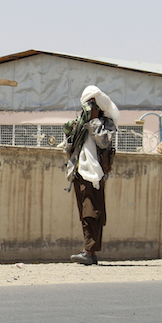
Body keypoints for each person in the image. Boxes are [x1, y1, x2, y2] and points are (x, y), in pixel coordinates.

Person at [64, 85, 118, 265]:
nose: (88, 108)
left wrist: (93, 122)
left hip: (95, 172)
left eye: (92, 105)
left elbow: (104, 142)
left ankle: (89, 251)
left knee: (92, 212)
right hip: (79, 171)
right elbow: (68, 149)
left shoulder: (105, 123)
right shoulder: (80, 123)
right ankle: (90, 251)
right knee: (85, 213)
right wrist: (71, 133)